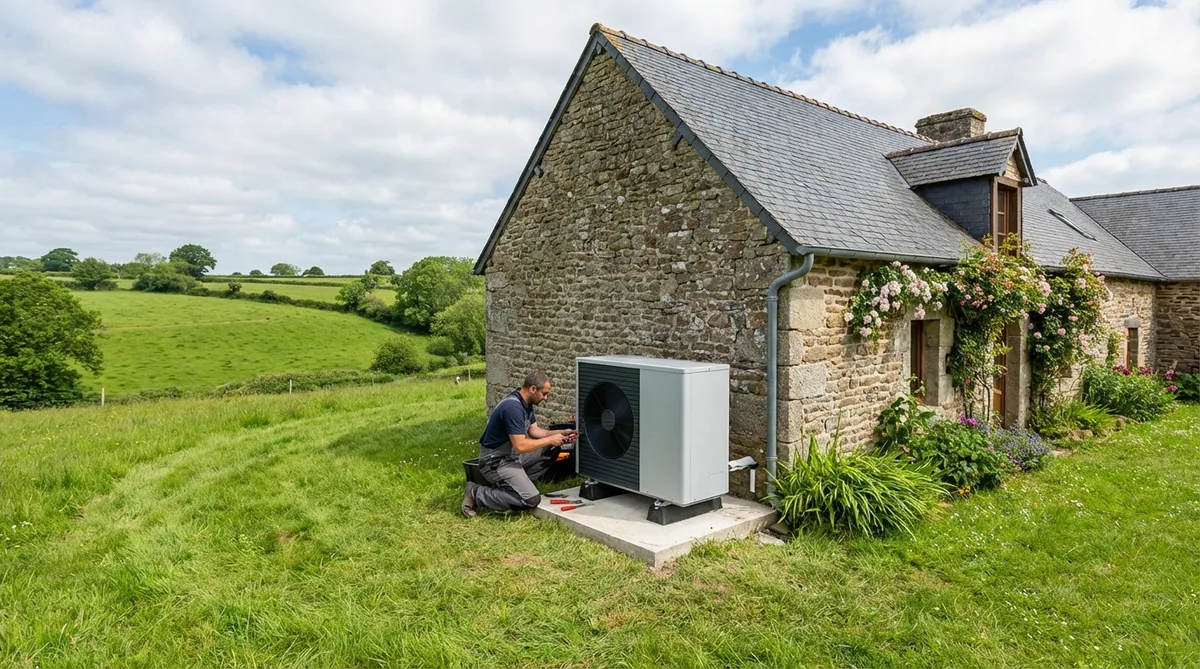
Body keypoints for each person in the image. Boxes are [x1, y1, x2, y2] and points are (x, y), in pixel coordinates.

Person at [461, 371, 576, 518]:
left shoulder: (525, 403)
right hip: (495, 461)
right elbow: (520, 446)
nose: (546, 398)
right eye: (544, 393)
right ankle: (476, 493)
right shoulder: (513, 408)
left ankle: (514, 484)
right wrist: (550, 439)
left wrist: (562, 432)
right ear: (533, 389)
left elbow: (534, 431)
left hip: (511, 458)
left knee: (550, 449)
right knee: (530, 500)